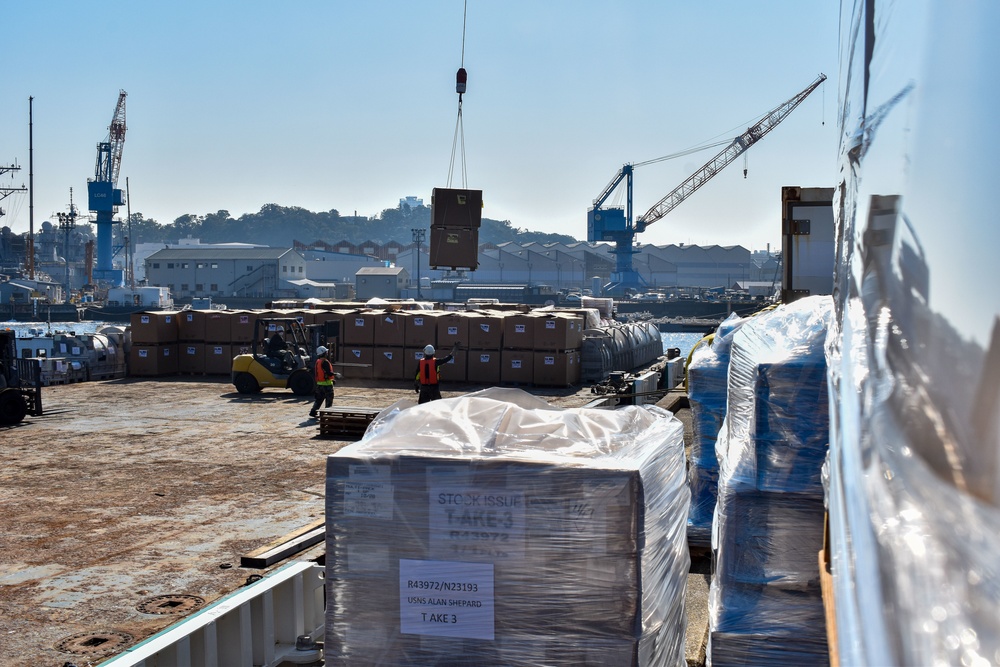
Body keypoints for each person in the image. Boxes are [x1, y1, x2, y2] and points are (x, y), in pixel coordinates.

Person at [309, 345, 336, 419]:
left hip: (319, 385)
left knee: (319, 399)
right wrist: (336, 375)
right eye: (326, 352)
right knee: (329, 400)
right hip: (327, 385)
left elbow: (322, 373)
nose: (327, 353)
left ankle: (313, 411)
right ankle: (328, 414)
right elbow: (328, 373)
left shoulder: (318, 362)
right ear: (323, 353)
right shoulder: (325, 362)